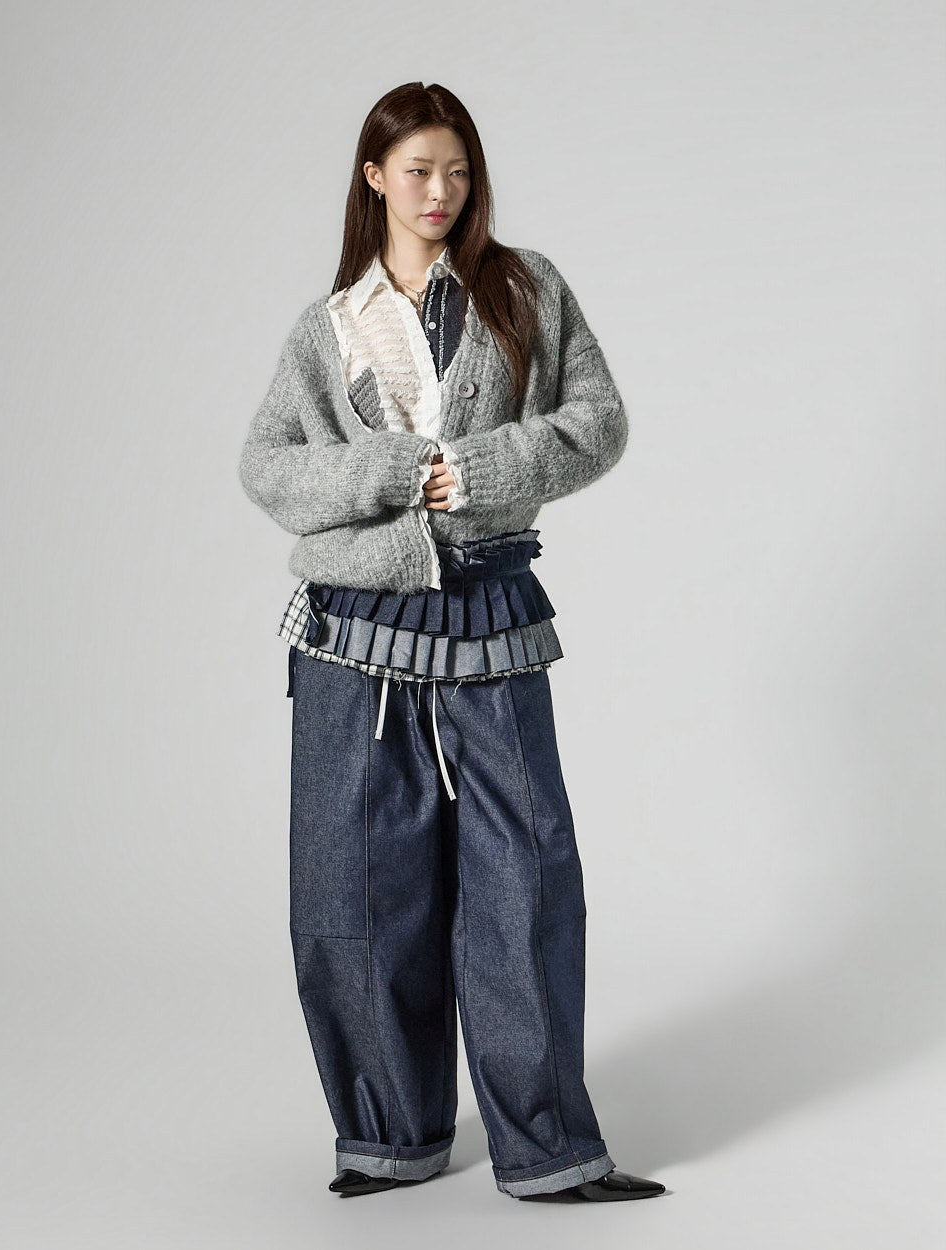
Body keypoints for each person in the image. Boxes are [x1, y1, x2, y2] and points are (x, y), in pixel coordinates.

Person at [239, 81, 666, 1205]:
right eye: (420, 169)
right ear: (374, 176)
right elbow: (266, 467)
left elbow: (598, 423)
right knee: (355, 888)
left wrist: (477, 471)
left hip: (488, 615)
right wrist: (387, 471)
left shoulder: (524, 289)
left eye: (459, 171)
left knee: (526, 880)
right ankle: (388, 1136)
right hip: (352, 631)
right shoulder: (328, 326)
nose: (441, 191)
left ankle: (550, 1149)